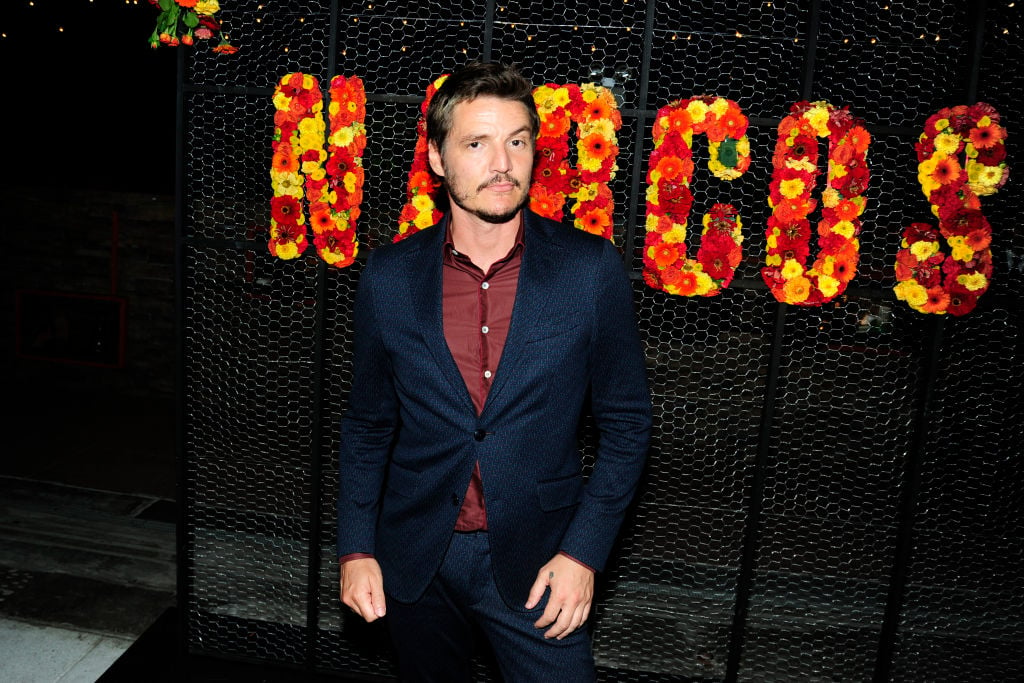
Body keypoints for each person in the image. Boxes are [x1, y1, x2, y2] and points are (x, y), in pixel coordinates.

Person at [336, 61, 652, 682]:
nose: (501, 162)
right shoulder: (390, 278)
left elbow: (628, 425)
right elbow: (368, 425)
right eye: (476, 143)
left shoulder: (589, 272)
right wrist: (356, 548)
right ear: (436, 158)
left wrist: (583, 553)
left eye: (517, 140)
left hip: (542, 560)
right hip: (416, 556)